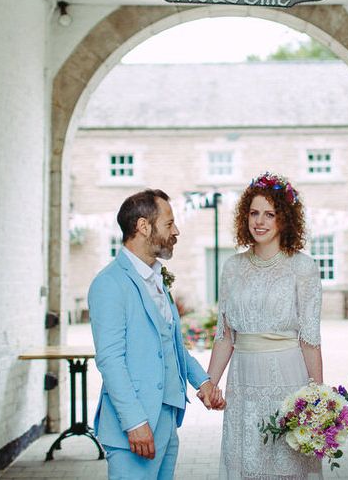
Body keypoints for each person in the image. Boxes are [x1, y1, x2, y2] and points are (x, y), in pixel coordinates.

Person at [88, 188, 225, 479]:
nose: (176, 231)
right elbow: (110, 360)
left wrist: (203, 383)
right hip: (135, 424)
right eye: (169, 223)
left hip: (166, 419)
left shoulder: (157, 279)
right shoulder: (109, 283)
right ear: (143, 226)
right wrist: (134, 422)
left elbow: (172, 346)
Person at [206, 172, 323, 479]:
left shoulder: (303, 267)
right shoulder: (232, 267)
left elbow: (310, 339)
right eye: (254, 213)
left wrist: (318, 400)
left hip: (288, 376)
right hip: (242, 380)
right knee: (247, 462)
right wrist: (210, 383)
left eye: (269, 214)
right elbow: (224, 336)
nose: (259, 221)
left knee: (287, 463)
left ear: (284, 219)